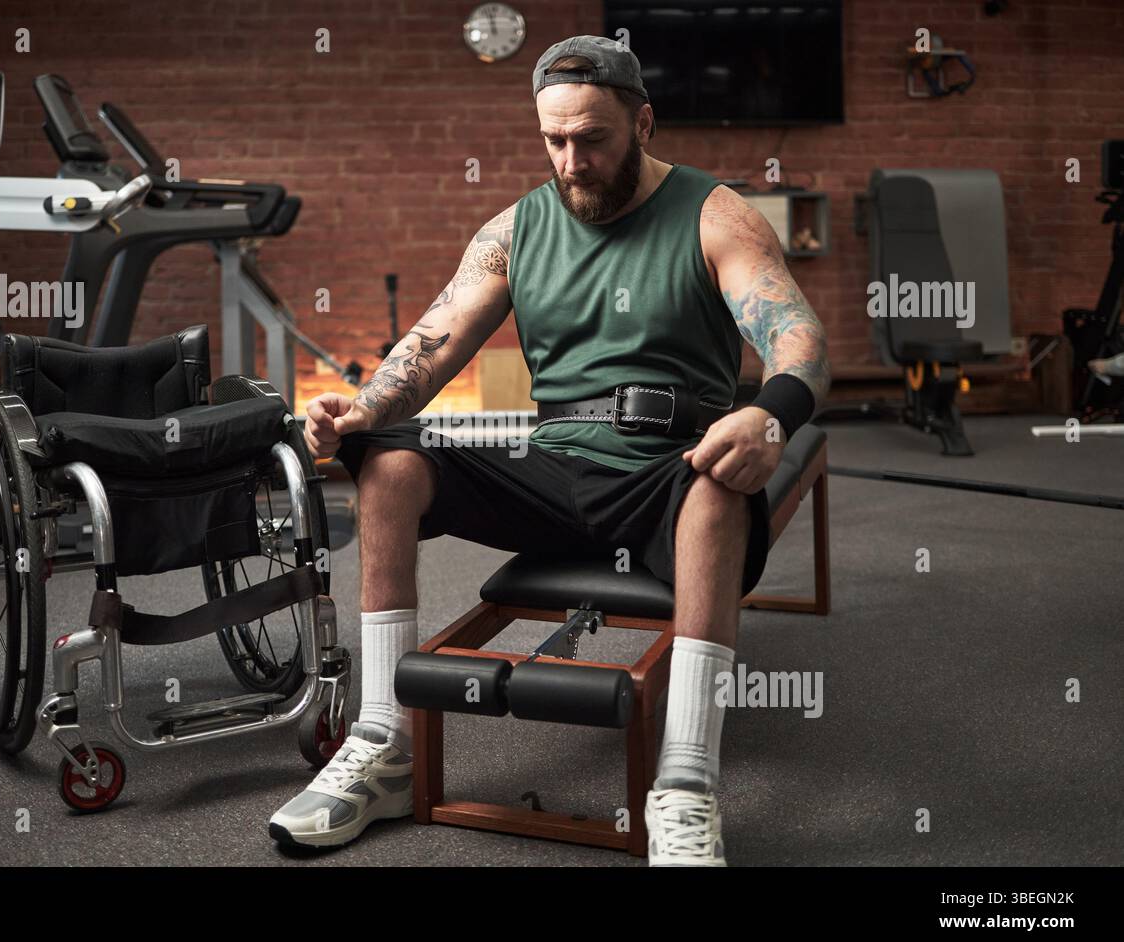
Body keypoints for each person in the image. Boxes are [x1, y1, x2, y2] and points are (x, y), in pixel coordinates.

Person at [268, 35, 829, 866]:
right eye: (555, 141)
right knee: (387, 461)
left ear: (642, 122)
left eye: (593, 139)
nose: (573, 162)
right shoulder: (515, 229)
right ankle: (386, 746)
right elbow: (431, 343)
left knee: (714, 486)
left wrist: (767, 418)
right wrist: (363, 410)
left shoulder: (717, 213)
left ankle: (684, 782)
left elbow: (800, 339)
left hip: (668, 465)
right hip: (554, 464)